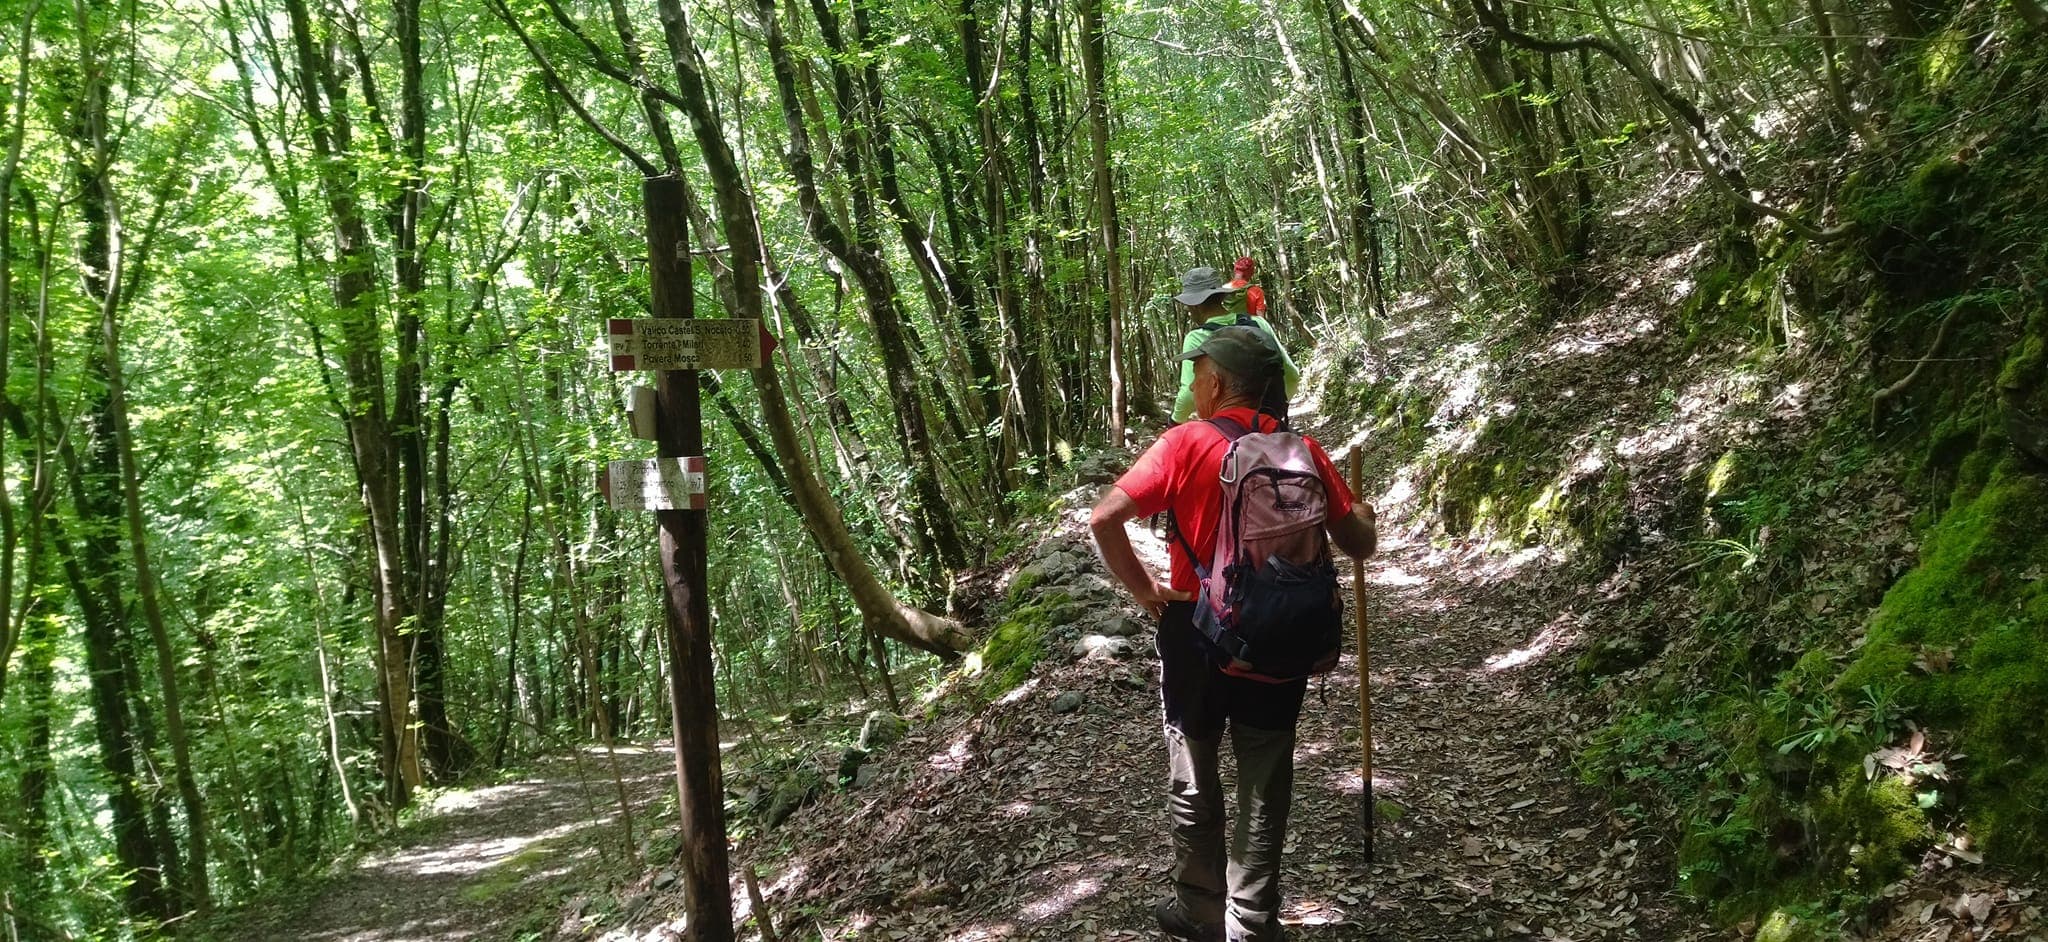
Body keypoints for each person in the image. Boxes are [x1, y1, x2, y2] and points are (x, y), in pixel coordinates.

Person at [1090, 326, 1378, 942]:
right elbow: (1358, 542)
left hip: (1193, 631)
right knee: (1265, 773)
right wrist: (1363, 515)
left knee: (1194, 770)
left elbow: (1105, 517)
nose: (1191, 386)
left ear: (1218, 381)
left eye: (1197, 375)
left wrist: (1144, 592)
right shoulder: (1302, 449)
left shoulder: (1184, 442)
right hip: (1280, 633)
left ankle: (1199, 909)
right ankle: (1252, 920)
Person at [1169, 267, 1299, 424]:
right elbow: (1291, 374)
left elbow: (1189, 394)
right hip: (1271, 423)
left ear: (1194, 305)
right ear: (1220, 296)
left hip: (1230, 429)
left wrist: (1175, 421)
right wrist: (1275, 409)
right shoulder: (1258, 324)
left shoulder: (1196, 337)